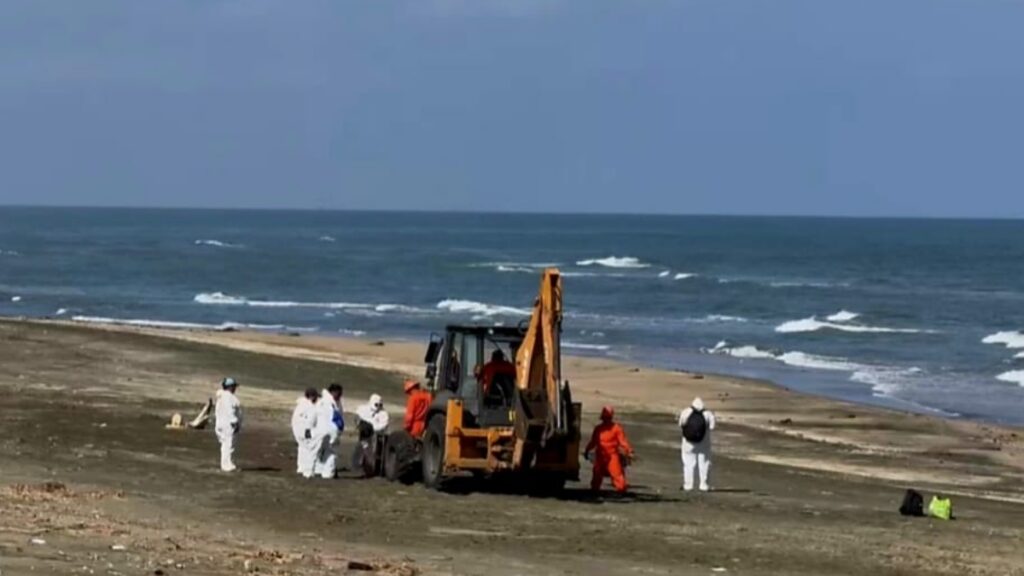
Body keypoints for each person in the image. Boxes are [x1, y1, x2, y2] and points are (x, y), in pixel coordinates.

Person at [584, 406, 634, 494]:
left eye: (607, 417)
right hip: (600, 455)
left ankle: (621, 490)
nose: (606, 419)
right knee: (597, 474)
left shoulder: (616, 428)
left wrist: (629, 450)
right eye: (605, 417)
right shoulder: (598, 429)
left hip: (612, 455)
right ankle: (594, 490)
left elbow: (623, 441)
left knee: (616, 474)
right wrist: (587, 450)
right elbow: (593, 442)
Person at [678, 397, 716, 492]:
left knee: (688, 464)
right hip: (704, 443)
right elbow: (712, 427)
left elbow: (681, 424)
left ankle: (688, 485)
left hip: (688, 443)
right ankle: (703, 485)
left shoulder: (686, 412)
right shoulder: (708, 414)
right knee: (704, 464)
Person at [313, 383, 344, 479]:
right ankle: (328, 473)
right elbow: (334, 419)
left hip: (324, 431)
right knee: (330, 452)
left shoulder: (333, 403)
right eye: (338, 393)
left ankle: (319, 470)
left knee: (322, 451)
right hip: (328, 431)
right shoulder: (328, 403)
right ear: (333, 392)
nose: (340, 396)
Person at [352, 394, 390, 474]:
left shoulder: (383, 413)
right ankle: (358, 465)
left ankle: (370, 468)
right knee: (361, 449)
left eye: (380, 405)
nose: (378, 406)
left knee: (371, 452)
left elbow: (384, 425)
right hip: (363, 434)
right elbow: (357, 418)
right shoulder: (363, 409)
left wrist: (372, 428)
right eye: (376, 404)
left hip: (375, 436)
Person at [214, 377, 242, 472]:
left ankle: (226, 463)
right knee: (228, 445)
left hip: (221, 423)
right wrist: (234, 422)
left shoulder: (222, 397)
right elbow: (230, 411)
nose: (235, 389)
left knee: (225, 445)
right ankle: (226, 465)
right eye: (234, 387)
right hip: (227, 425)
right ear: (230, 387)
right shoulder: (228, 397)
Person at [291, 387, 320, 478]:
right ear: (312, 397)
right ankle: (308, 471)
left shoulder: (300, 405)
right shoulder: (310, 407)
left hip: (297, 430)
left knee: (302, 447)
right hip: (306, 430)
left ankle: (301, 468)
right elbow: (311, 421)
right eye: (315, 397)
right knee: (309, 449)